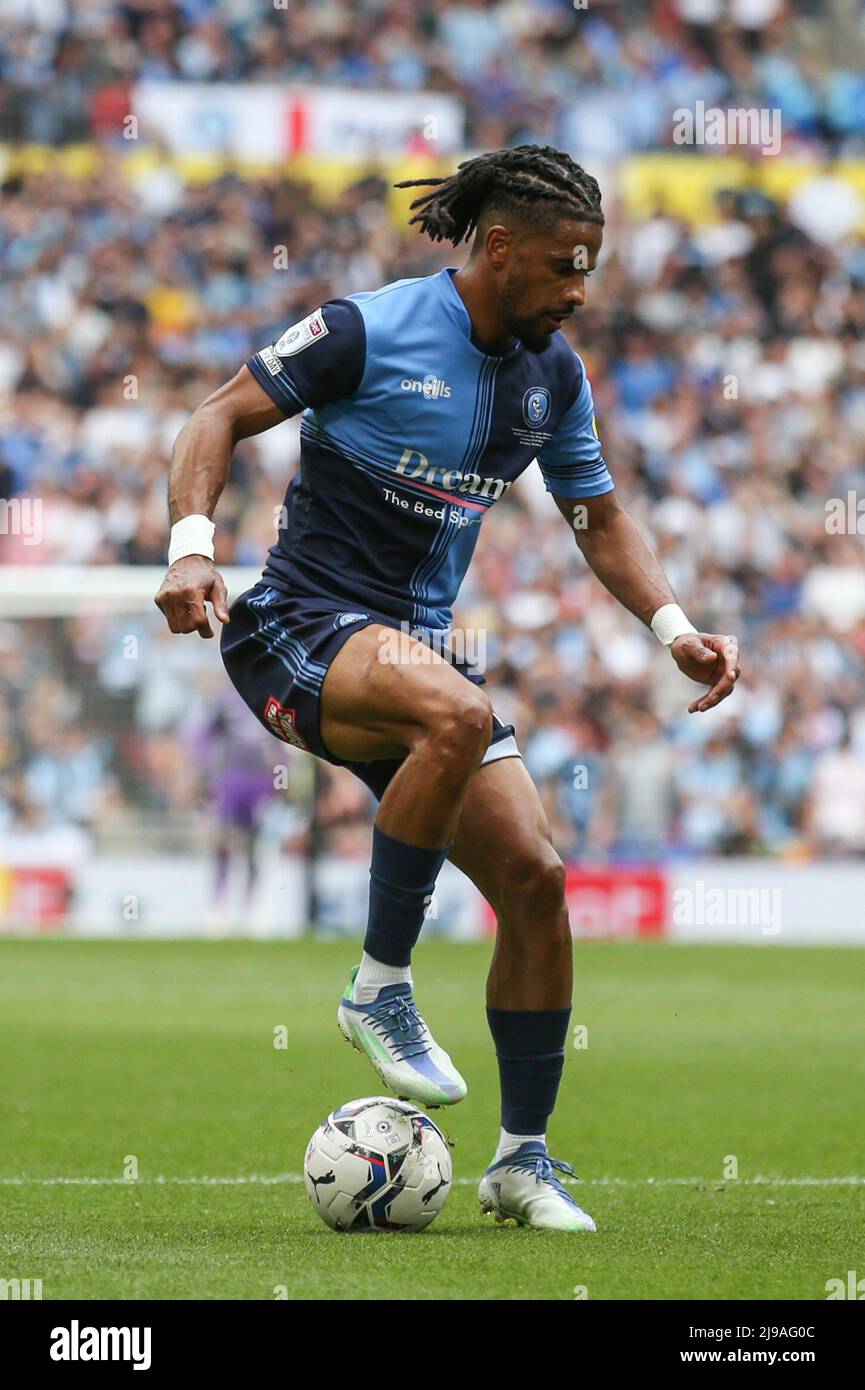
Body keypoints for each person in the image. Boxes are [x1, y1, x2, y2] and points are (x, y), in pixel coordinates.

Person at [155, 145, 741, 1231]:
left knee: (536, 880)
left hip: (416, 657)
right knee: (459, 712)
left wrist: (672, 626)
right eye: (565, 266)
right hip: (300, 629)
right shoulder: (362, 329)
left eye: (590, 269)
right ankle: (380, 982)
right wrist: (193, 547)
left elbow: (597, 516)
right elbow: (212, 416)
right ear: (501, 247)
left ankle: (522, 1161)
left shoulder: (553, 378)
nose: (578, 290)